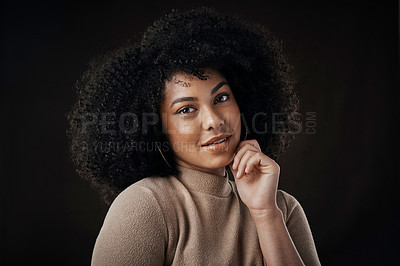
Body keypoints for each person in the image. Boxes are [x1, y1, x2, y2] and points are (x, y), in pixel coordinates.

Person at [66, 7, 321, 265]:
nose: (214, 121)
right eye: (186, 109)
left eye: (221, 98)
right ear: (157, 128)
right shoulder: (145, 206)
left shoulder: (282, 207)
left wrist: (265, 213)